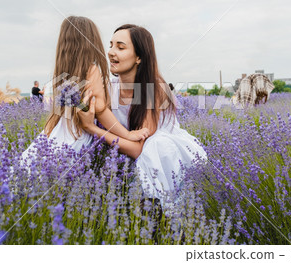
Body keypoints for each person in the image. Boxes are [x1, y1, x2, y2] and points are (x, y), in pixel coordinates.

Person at [78, 24, 207, 205]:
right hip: (126, 153)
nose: (111, 52)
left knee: (157, 145)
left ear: (139, 57)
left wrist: (91, 127)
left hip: (162, 159)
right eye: (111, 45)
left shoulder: (155, 90)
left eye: (120, 47)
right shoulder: (109, 88)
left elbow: (139, 150)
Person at [22, 17, 149, 163]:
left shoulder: (62, 73)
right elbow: (100, 111)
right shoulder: (92, 70)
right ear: (91, 42)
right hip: (77, 138)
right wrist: (127, 134)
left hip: (58, 134)